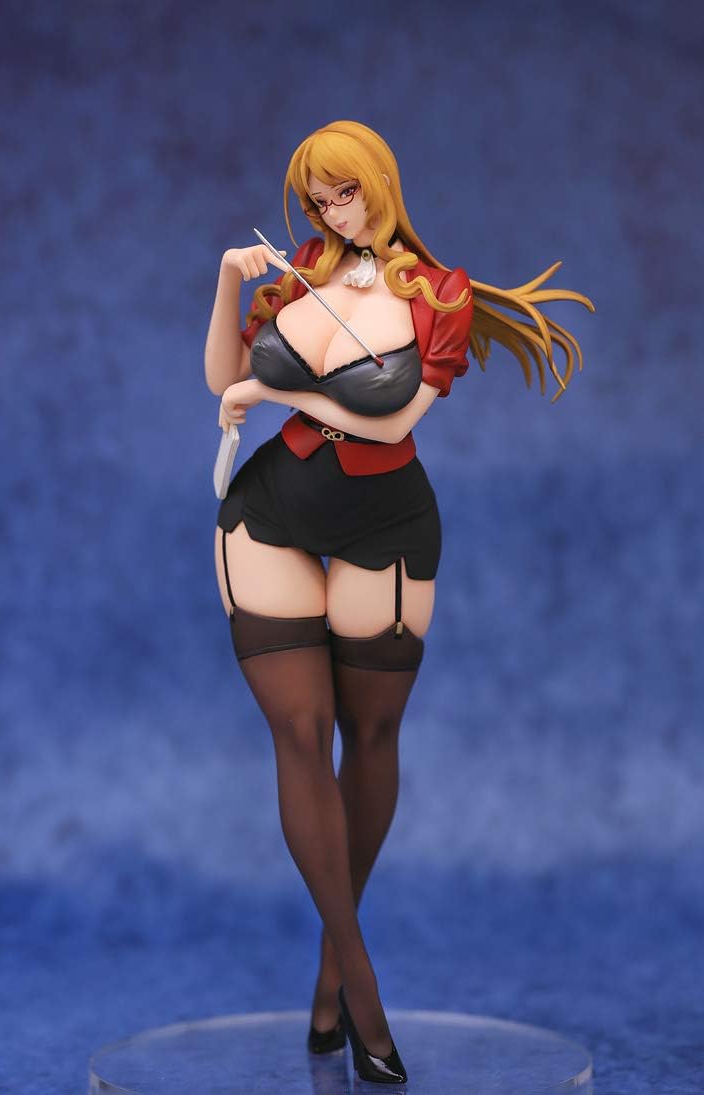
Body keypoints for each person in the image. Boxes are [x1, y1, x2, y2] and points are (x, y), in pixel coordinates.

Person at [204, 119, 593, 1085]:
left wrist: (280, 396)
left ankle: (329, 981)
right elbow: (223, 381)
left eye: (345, 192)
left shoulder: (441, 294)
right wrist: (227, 286)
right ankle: (361, 984)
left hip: (387, 523)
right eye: (318, 199)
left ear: (380, 183)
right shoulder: (298, 272)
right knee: (300, 735)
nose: (333, 211)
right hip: (270, 512)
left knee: (370, 738)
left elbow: (393, 420)